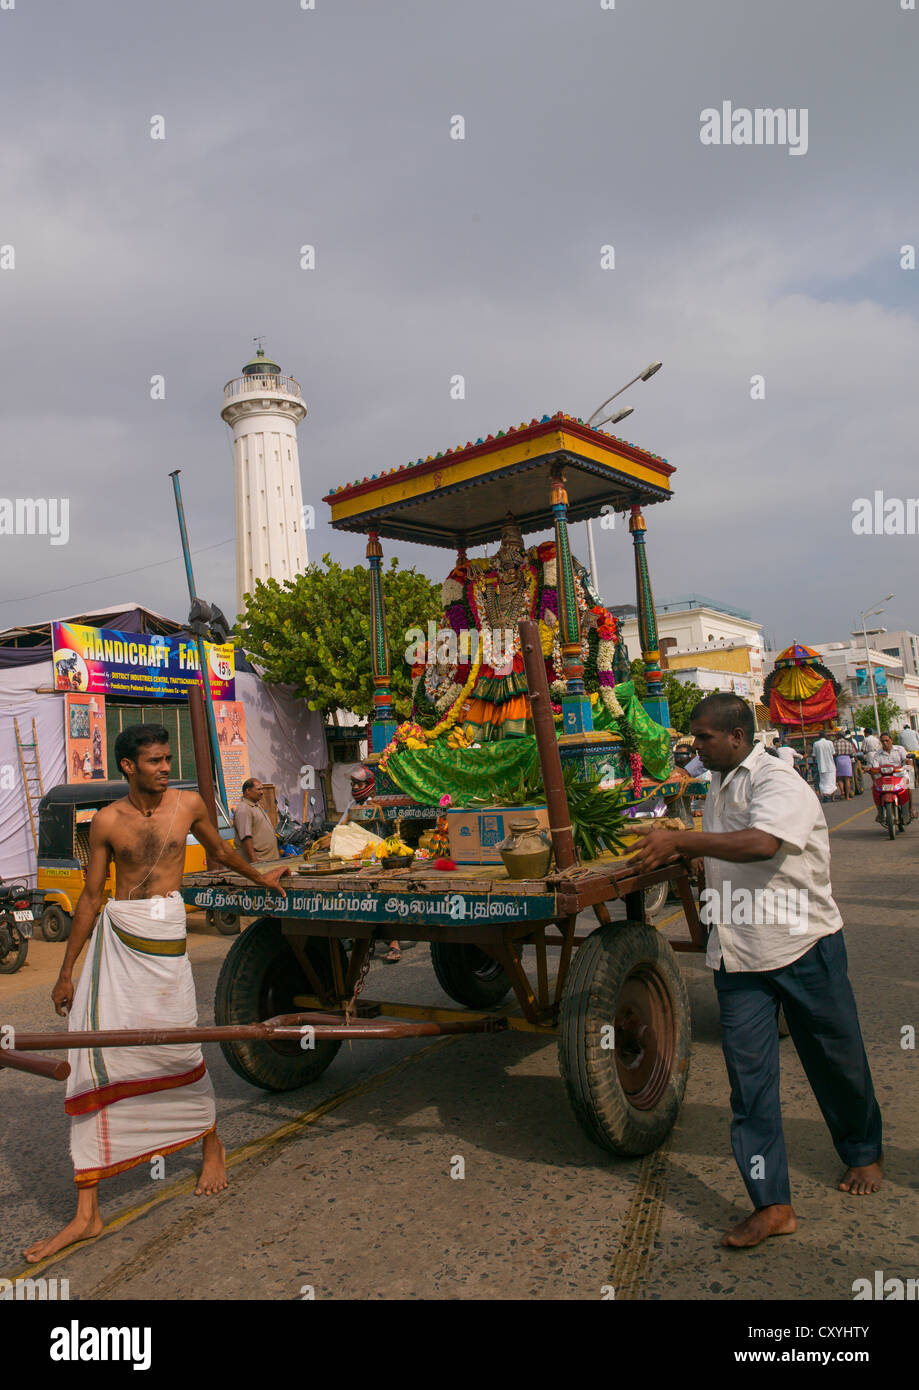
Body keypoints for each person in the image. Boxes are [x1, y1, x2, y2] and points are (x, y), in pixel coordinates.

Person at [24, 724, 290, 1265]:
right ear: (128, 766)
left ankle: (210, 1143)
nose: (165, 767)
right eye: (154, 760)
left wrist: (262, 879)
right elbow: (92, 898)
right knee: (97, 1056)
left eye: (168, 758)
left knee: (177, 1045)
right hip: (114, 945)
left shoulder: (190, 804)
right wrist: (66, 971)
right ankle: (87, 1211)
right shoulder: (106, 821)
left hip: (164, 942)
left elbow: (219, 853)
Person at [628, 693, 883, 1249]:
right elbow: (722, 851)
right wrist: (690, 855)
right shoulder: (717, 782)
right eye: (694, 738)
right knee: (749, 1087)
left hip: (802, 942)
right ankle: (772, 1205)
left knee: (836, 1061)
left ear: (738, 737)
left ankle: (862, 1152)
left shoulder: (778, 780)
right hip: (738, 954)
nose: (696, 747)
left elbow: (764, 843)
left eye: (704, 737)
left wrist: (684, 839)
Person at [868, 732, 913, 824]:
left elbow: (906, 760)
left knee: (908, 784)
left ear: (891, 740)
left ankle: (910, 808)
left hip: (900, 775)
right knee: (874, 788)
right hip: (885, 777)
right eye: (883, 741)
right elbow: (875, 766)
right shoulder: (878, 754)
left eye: (887, 740)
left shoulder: (900, 749)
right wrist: (870, 769)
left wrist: (908, 762)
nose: (885, 743)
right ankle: (880, 812)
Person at [233, 778, 278, 863]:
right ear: (248, 791)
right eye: (258, 789)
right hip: (260, 861)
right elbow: (246, 837)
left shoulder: (255, 805)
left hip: (268, 859)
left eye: (262, 789)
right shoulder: (244, 809)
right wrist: (255, 862)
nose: (262, 792)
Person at [832, 728, 858, 800]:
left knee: (840, 778)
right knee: (847, 779)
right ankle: (847, 796)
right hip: (847, 759)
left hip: (839, 759)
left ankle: (842, 791)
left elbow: (833, 753)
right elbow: (853, 753)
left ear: (838, 736)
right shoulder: (848, 743)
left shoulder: (835, 743)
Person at [812, 732, 837, 802]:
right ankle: (832, 797)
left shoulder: (816, 744)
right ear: (825, 736)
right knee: (832, 781)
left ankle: (825, 795)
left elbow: (813, 755)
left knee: (823, 782)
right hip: (831, 765)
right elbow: (833, 753)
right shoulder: (830, 743)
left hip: (821, 766)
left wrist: (814, 763)